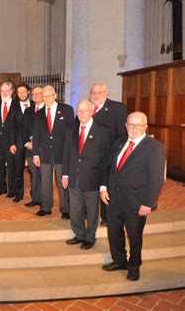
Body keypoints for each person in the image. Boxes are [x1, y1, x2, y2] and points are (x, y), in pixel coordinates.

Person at [100, 112, 165, 281]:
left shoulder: (154, 148)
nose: (134, 128)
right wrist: (103, 187)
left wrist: (148, 203)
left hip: (136, 202)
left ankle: (134, 266)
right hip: (113, 198)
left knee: (135, 237)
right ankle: (119, 260)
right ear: (126, 125)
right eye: (130, 124)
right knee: (114, 233)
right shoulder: (119, 141)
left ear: (145, 127)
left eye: (138, 125)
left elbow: (156, 179)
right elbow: (109, 167)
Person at [62, 100, 111, 250]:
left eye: (85, 111)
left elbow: (106, 159)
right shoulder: (71, 130)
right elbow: (67, 154)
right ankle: (79, 234)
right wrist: (65, 174)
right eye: (79, 110)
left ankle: (90, 237)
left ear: (92, 112)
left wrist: (104, 184)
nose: (82, 113)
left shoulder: (103, 131)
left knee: (92, 211)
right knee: (75, 209)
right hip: (74, 177)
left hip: (93, 179)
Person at [90, 82, 129, 226]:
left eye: (99, 92)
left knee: (107, 186)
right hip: (90, 157)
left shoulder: (117, 108)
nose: (96, 95)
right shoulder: (88, 108)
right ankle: (90, 212)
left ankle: (107, 217)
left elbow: (122, 134)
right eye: (93, 92)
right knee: (92, 186)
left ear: (106, 93)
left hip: (108, 156)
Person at [32, 85, 74, 218]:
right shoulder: (38, 113)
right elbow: (36, 134)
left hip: (62, 153)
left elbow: (71, 133)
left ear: (55, 95)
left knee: (63, 181)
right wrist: (35, 154)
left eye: (49, 95)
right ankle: (46, 206)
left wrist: (71, 152)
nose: (46, 98)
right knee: (45, 181)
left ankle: (65, 209)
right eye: (44, 96)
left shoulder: (66, 110)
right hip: (44, 153)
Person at [9, 83, 34, 203]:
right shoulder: (13, 106)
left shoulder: (35, 105)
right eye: (19, 92)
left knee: (33, 170)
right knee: (18, 169)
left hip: (31, 142)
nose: (21, 94)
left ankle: (35, 195)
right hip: (18, 142)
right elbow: (11, 126)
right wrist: (12, 143)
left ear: (28, 92)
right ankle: (19, 194)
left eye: (24, 91)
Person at [24, 86, 44, 207]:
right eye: (34, 94)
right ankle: (35, 198)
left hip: (43, 148)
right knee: (34, 174)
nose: (36, 96)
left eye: (39, 93)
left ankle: (44, 200)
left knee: (43, 175)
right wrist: (27, 142)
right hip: (30, 148)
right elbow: (24, 129)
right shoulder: (28, 110)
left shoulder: (47, 109)